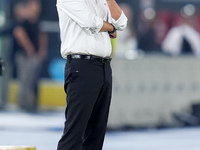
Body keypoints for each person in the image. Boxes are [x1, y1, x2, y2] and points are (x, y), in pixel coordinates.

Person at [56, 0, 127, 149]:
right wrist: (110, 27)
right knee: (74, 133)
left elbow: (122, 23)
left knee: (96, 134)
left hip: (104, 67)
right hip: (82, 67)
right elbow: (91, 22)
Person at [13, 0, 48, 112]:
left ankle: (30, 103)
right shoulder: (24, 19)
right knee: (25, 80)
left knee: (32, 80)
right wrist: (29, 48)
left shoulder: (37, 20)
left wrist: (41, 51)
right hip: (25, 55)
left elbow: (42, 36)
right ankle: (22, 104)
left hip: (34, 56)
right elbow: (19, 33)